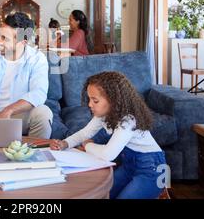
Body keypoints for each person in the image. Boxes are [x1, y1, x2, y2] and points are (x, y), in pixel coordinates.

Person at [50, 71, 167, 199]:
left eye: (95, 100)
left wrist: (88, 145)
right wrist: (65, 143)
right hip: (129, 166)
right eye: (89, 99)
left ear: (113, 100)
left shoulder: (128, 120)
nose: (89, 104)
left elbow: (108, 154)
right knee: (103, 193)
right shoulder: (103, 115)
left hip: (153, 169)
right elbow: (85, 132)